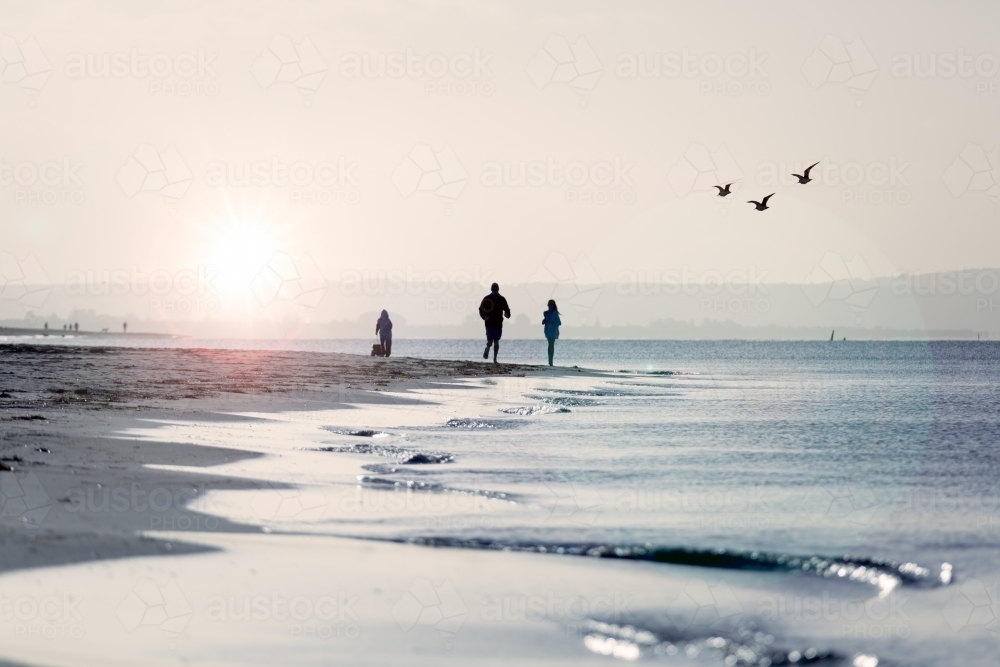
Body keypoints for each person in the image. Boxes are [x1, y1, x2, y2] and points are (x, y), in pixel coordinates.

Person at [479, 282, 510, 363]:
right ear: (491, 290)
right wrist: (484, 317)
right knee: (490, 342)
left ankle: (495, 359)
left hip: (498, 323)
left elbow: (507, 309)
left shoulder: (502, 299)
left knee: (496, 341)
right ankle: (487, 348)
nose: (495, 291)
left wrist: (507, 315)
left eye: (496, 289)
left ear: (498, 289)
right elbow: (481, 309)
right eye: (494, 289)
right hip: (489, 324)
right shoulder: (487, 299)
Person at [542, 299, 561, 366]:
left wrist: (553, 323)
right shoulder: (546, 313)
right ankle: (549, 360)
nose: (551, 305)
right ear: (548, 305)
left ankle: (551, 360)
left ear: (554, 305)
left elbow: (559, 322)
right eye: (550, 304)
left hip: (553, 331)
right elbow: (545, 319)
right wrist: (543, 321)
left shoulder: (555, 313)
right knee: (549, 344)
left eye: (552, 304)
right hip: (547, 330)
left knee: (551, 345)